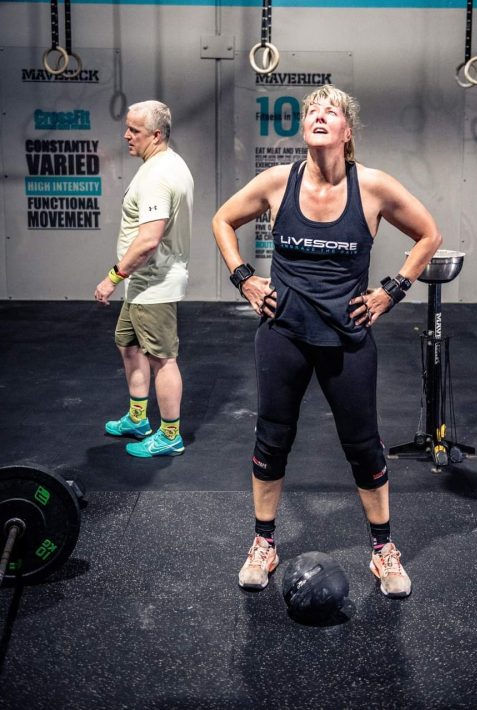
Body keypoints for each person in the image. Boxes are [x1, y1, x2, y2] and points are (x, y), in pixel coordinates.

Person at [212, 85, 442, 598]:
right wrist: (244, 277)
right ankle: (263, 542)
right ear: (304, 129)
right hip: (284, 333)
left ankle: (383, 548)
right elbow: (222, 219)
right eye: (311, 111)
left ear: (347, 130)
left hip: (347, 337)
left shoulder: (373, 187)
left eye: (330, 111)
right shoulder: (278, 182)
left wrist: (392, 291)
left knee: (363, 445)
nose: (318, 115)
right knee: (272, 439)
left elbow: (429, 234)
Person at [95, 100, 194, 458]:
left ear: (155, 135)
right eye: (127, 127)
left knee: (162, 359)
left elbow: (149, 240)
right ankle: (138, 419)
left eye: (134, 130)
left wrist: (113, 277)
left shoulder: (157, 176)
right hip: (142, 283)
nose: (126, 135)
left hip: (153, 282)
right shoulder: (167, 163)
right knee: (128, 343)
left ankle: (170, 435)